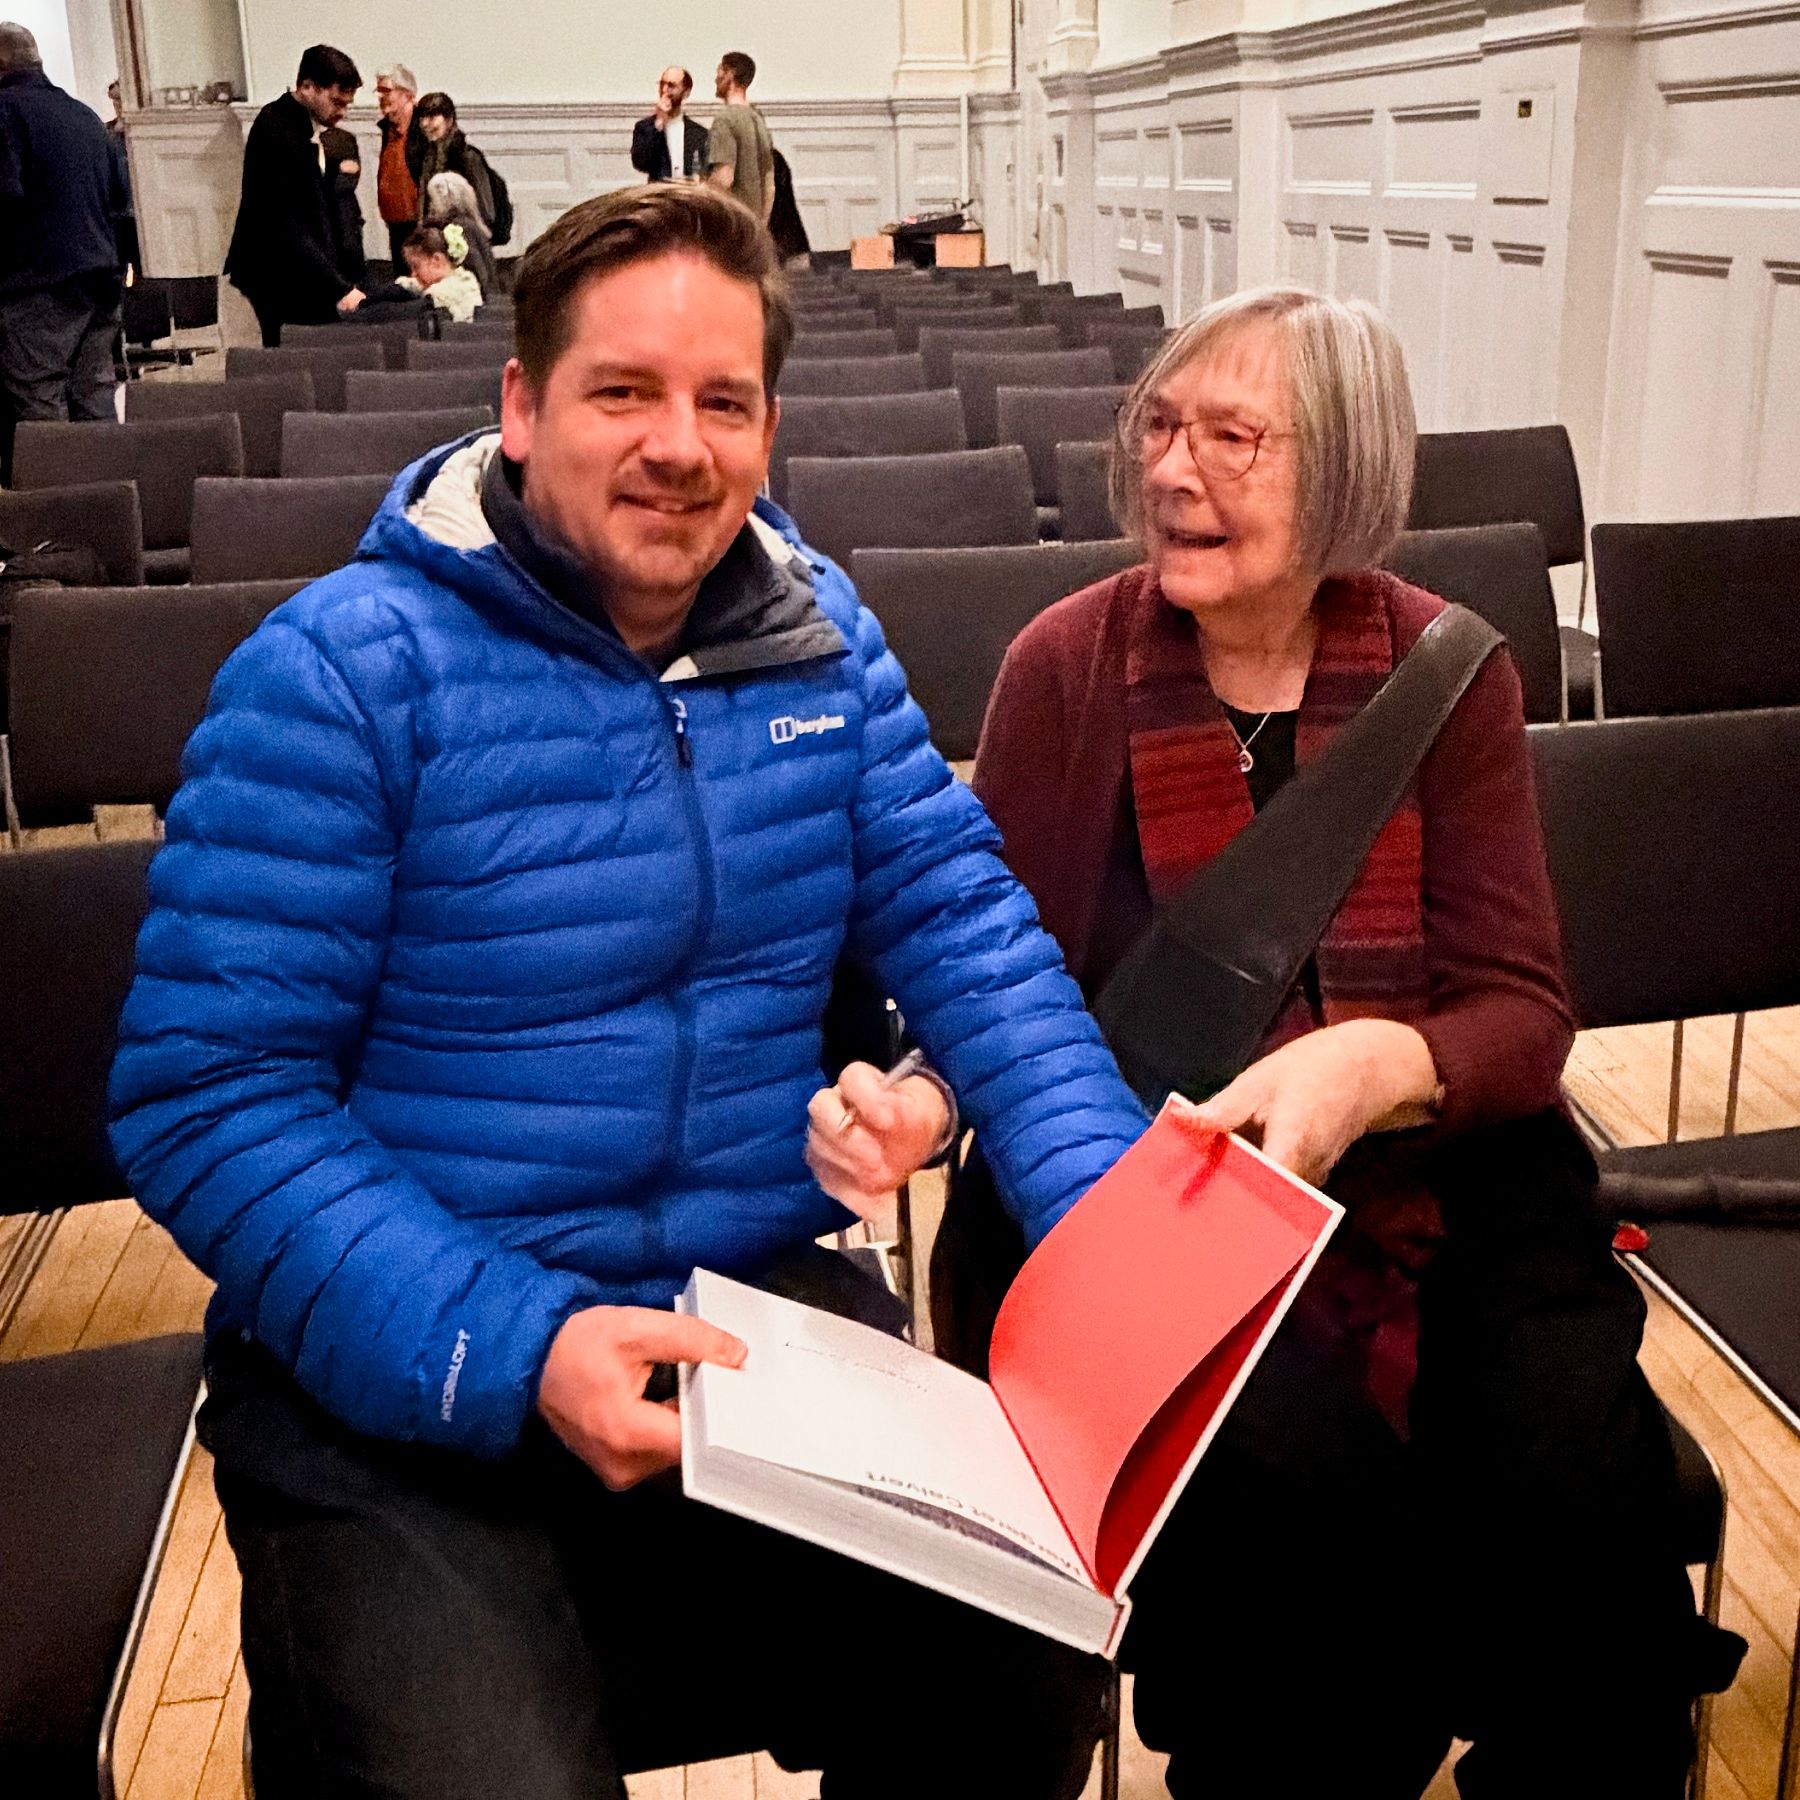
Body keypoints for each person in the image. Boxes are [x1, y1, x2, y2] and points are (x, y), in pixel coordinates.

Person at [108, 180, 1145, 1800]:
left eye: (723, 401)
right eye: (623, 393)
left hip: (738, 1313)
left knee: (1022, 1649)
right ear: (523, 408)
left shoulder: (817, 642)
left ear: (768, 428)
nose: (680, 444)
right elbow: (207, 1098)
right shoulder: (341, 673)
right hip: (406, 1352)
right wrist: (522, 1344)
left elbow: (968, 932)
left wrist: (1114, 1246)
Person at [953, 284, 1745, 1798]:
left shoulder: (1450, 670)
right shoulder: (1067, 668)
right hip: (1149, 1193)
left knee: (1584, 1548)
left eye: (1233, 439)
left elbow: (1520, 1016)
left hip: (1442, 1176)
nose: (1173, 471)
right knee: (1307, 1600)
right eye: (1159, 429)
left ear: (1349, 469)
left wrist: (1376, 1065)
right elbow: (990, 986)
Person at [0, 22, 127, 482]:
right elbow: (119, 201)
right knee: (94, 399)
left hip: (39, 286)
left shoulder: (5, 112)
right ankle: (112, 504)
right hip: (101, 281)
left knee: (40, 403)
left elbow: (5, 198)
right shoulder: (83, 116)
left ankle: (59, 514)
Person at [223, 43, 365, 346]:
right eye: (336, 101)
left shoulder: (297, 125)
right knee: (297, 355)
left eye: (347, 104)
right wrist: (339, 286)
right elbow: (287, 223)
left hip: (295, 267)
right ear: (308, 86)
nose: (342, 112)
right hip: (279, 272)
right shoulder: (278, 129)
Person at [706, 50, 772, 223]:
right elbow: (769, 184)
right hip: (754, 223)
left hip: (733, 222)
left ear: (729, 74)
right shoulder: (758, 119)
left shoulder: (725, 119)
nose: (716, 79)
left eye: (719, 71)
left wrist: (701, 195)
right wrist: (762, 224)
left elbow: (723, 178)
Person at [414, 90, 495, 229]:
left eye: (432, 117)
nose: (425, 124)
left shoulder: (469, 157)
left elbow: (486, 211)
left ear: (449, 119)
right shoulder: (429, 157)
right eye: (422, 118)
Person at [375, 62, 426, 269]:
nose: (381, 97)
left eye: (386, 90)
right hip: (395, 227)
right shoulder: (388, 130)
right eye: (378, 91)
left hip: (421, 228)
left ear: (407, 95)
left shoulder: (423, 130)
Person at [422, 168, 494, 298]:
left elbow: (476, 270)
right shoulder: (467, 224)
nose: (430, 205)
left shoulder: (459, 228)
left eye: (432, 199)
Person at [388, 222, 481, 321]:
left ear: (436, 260)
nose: (413, 274)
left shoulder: (444, 294)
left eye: (416, 266)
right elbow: (412, 285)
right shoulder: (459, 279)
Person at [631, 65, 708, 183]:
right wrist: (659, 123)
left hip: (688, 192)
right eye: (662, 84)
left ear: (686, 92)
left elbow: (703, 170)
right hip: (658, 192)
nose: (664, 90)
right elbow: (641, 164)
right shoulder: (644, 127)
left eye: (671, 85)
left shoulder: (699, 133)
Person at [320, 122, 367, 287]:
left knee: (348, 249)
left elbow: (348, 179)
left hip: (342, 209)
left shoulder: (342, 139)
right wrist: (336, 167)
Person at [104, 77, 139, 277]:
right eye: (115, 101)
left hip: (138, 213)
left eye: (121, 100)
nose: (118, 106)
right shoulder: (105, 133)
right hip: (117, 215)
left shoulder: (141, 133)